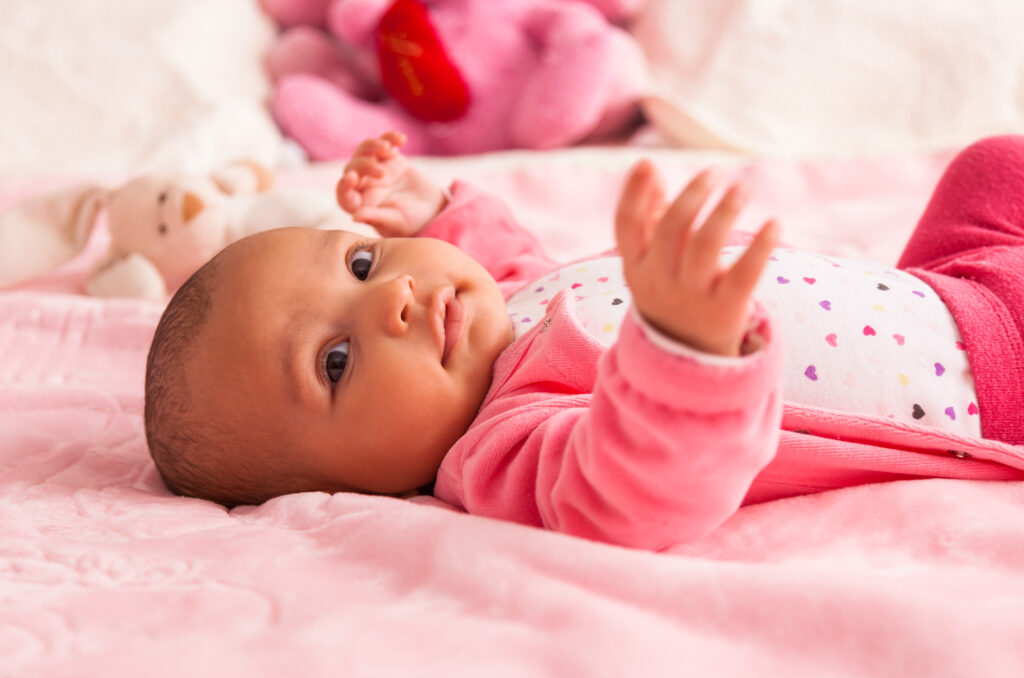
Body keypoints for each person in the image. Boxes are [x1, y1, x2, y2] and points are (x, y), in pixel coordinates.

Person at [144, 132, 1024, 550]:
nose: (398, 300)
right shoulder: (502, 446)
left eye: (364, 261)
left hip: (942, 286)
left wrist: (437, 211)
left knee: (990, 166)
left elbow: (508, 263)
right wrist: (684, 351)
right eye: (335, 361)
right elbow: (632, 483)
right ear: (348, 483)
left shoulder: (502, 309)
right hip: (988, 381)